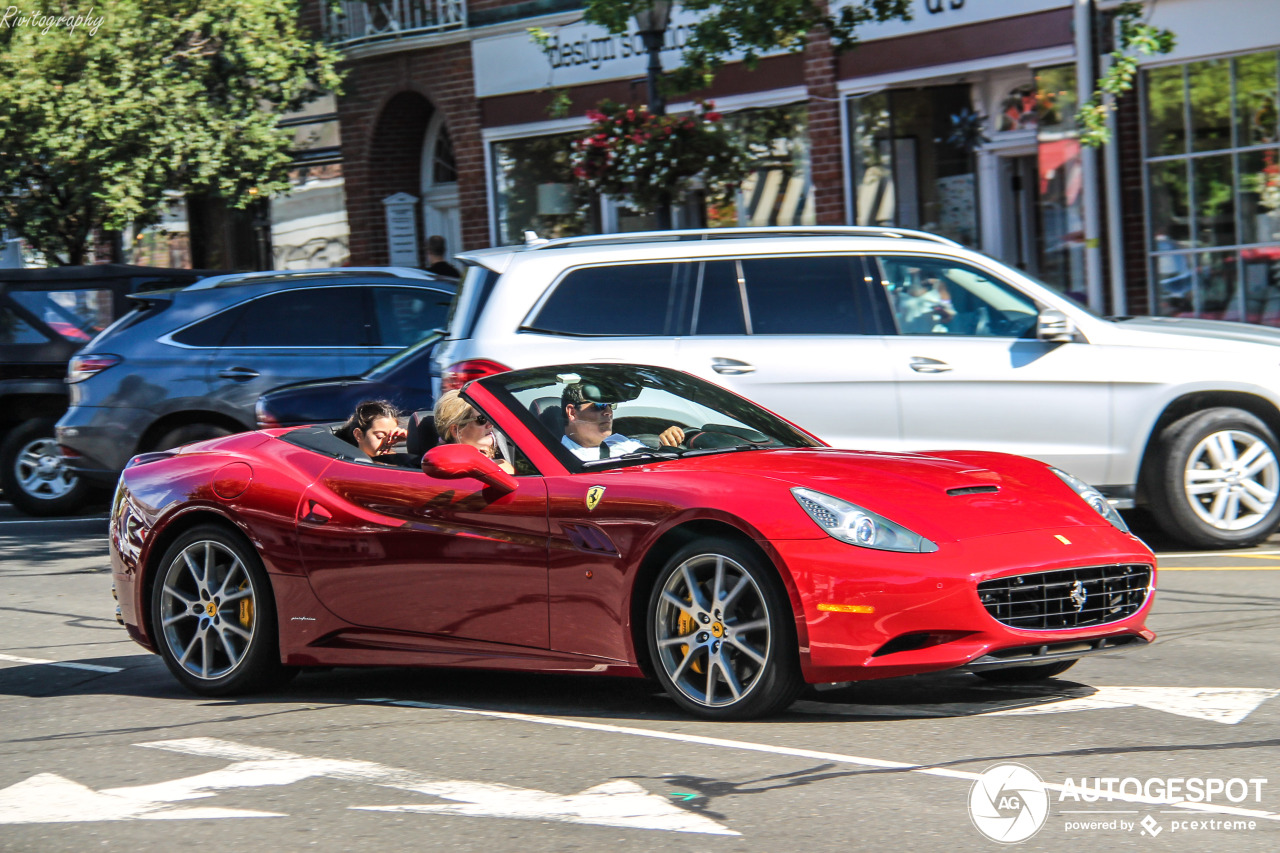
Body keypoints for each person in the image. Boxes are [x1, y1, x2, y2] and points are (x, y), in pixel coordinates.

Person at [560, 381, 684, 461]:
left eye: (611, 405)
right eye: (599, 405)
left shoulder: (620, 442)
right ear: (572, 413)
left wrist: (667, 445)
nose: (608, 412)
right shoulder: (558, 459)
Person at [434, 389, 515, 474]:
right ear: (455, 430)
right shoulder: (443, 470)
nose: (490, 424)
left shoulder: (502, 465)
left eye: (490, 417)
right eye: (482, 419)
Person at [336, 399, 406, 460]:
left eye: (393, 437)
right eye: (380, 436)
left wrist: (412, 439)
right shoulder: (350, 464)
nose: (387, 442)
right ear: (358, 435)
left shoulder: (395, 460)